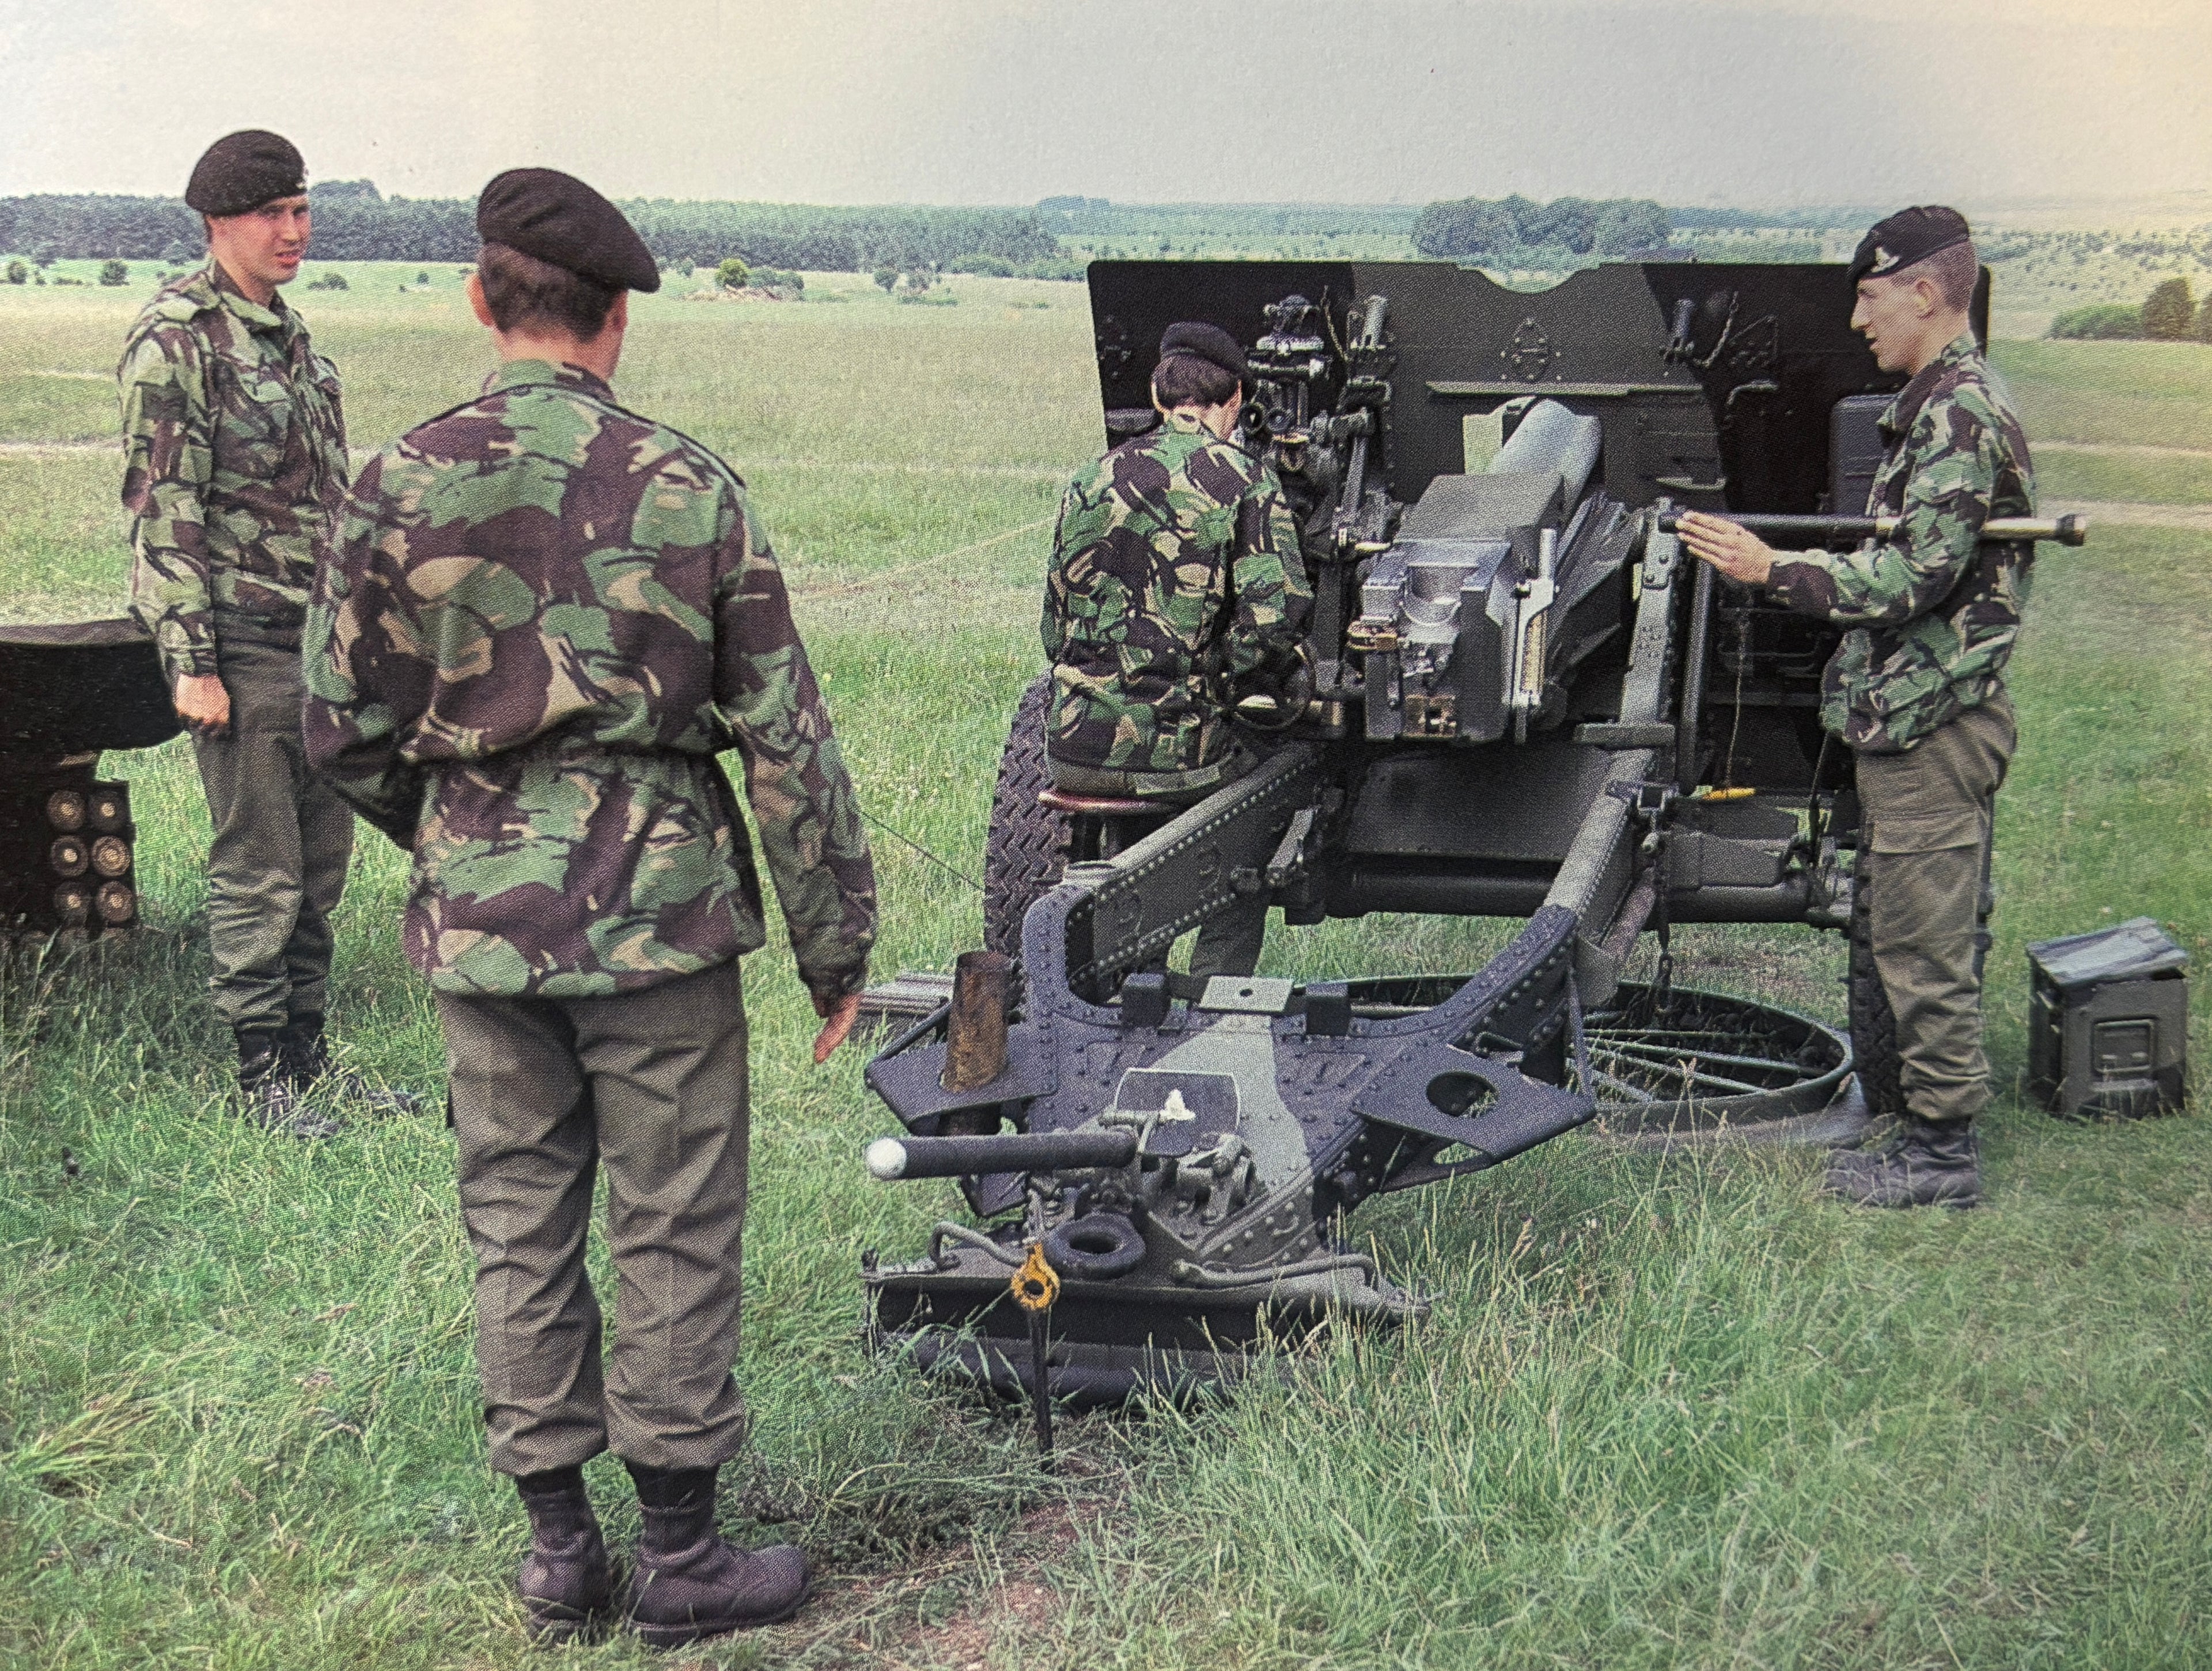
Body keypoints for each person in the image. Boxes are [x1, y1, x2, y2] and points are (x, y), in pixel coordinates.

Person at [302, 168, 876, 1646]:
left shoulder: (396, 480)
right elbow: (785, 739)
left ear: (481, 303)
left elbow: (336, 724)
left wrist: (458, 841)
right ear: (616, 320)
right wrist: (836, 950)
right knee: (673, 1223)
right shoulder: (687, 485)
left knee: (516, 1220)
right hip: (659, 921)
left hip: (482, 930)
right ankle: (679, 1556)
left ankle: (559, 1552)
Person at [1677, 205, 2034, 1210]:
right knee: (1909, 928)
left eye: (1871, 298)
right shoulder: (1934, 404)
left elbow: (1917, 575)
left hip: (1932, 721)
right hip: (1908, 713)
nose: (1859, 323)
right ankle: (1919, 1124)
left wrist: (1771, 566)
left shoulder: (1958, 411)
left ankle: (1941, 1154)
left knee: (1924, 939)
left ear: (1926, 291)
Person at [119, 129, 405, 1139]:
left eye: (301, 209)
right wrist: (192, 662)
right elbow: (165, 510)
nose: (295, 230)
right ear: (218, 223)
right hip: (240, 647)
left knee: (320, 870)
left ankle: (311, 1063)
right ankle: (260, 1081)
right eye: (273, 214)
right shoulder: (178, 340)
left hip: (319, 649)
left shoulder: (291, 337)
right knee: (261, 869)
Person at [1040, 321, 1312, 980]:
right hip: (1173, 755)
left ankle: (1130, 980)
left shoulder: (1090, 476)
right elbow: (1275, 620)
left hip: (1073, 747)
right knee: (1263, 793)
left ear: (1160, 399)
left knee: (1154, 815)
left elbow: (1054, 629)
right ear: (1236, 400)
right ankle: (1218, 993)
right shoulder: (1245, 479)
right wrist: (1225, 682)